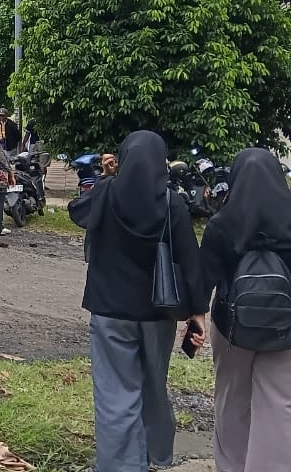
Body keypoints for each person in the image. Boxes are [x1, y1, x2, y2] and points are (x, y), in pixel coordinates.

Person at [67, 130, 208, 472]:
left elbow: (76, 212)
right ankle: (156, 455)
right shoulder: (171, 201)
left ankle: (121, 465)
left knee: (116, 394)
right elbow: (190, 258)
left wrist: (107, 176)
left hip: (109, 310)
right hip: (157, 313)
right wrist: (198, 313)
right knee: (153, 386)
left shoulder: (106, 192)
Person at [199, 148, 291, 472]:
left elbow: (204, 277)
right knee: (279, 404)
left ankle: (231, 466)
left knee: (231, 400)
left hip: (231, 328)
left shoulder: (223, 223)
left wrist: (196, 317)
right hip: (286, 329)